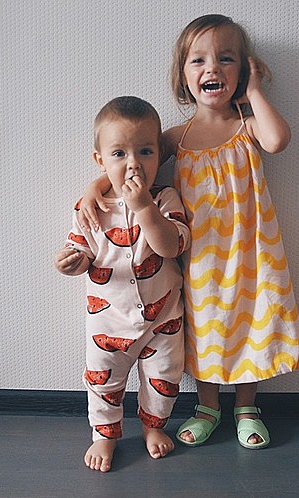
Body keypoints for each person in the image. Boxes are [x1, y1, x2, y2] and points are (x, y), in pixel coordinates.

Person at [78, 14, 299, 450]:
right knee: (207, 329)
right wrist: (95, 187)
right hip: (202, 257)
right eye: (198, 60)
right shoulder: (176, 138)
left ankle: (247, 408)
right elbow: (132, 160)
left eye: (227, 59)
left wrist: (255, 91)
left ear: (242, 70)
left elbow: (278, 140)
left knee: (254, 323)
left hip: (253, 253)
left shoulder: (246, 127)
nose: (212, 68)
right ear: (183, 75)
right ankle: (208, 407)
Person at [54, 96, 191, 472]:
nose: (133, 163)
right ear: (100, 160)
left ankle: (153, 426)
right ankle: (104, 435)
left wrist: (144, 207)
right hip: (108, 322)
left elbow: (171, 246)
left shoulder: (165, 199)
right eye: (119, 153)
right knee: (103, 381)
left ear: (159, 155)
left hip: (163, 318)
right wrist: (71, 262)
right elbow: (82, 251)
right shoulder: (90, 208)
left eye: (145, 151)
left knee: (164, 377)